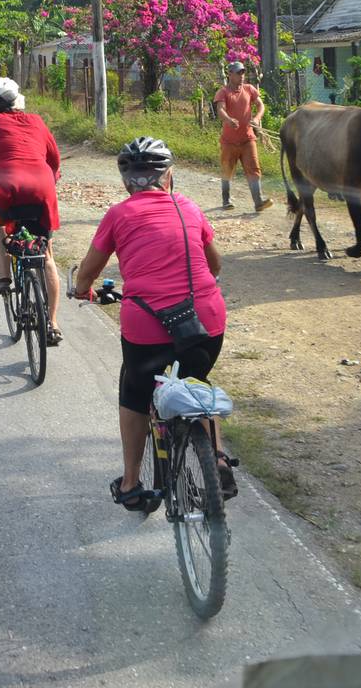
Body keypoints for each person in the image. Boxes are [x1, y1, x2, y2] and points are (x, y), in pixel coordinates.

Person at [73, 137, 236, 510]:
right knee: (196, 378)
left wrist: (84, 291)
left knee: (135, 390)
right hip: (204, 319)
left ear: (127, 181)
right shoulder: (190, 208)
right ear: (169, 176)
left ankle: (131, 483)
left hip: (147, 324)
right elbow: (214, 265)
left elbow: (87, 274)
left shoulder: (118, 215)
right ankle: (218, 458)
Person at [0, 77, 65, 344]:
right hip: (42, 189)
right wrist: (51, 179)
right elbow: (54, 160)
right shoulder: (38, 121)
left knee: (0, 227)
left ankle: (5, 276)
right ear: (17, 99)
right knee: (48, 255)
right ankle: (53, 324)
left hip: (7, 187)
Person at [214, 61, 272, 212]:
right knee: (227, 170)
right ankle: (226, 200)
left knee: (254, 169)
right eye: (238, 73)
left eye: (243, 73)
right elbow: (220, 110)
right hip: (229, 141)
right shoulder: (223, 92)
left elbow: (261, 105)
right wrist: (228, 120)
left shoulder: (249, 89)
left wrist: (258, 118)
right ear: (230, 74)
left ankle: (258, 202)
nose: (241, 76)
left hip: (248, 139)